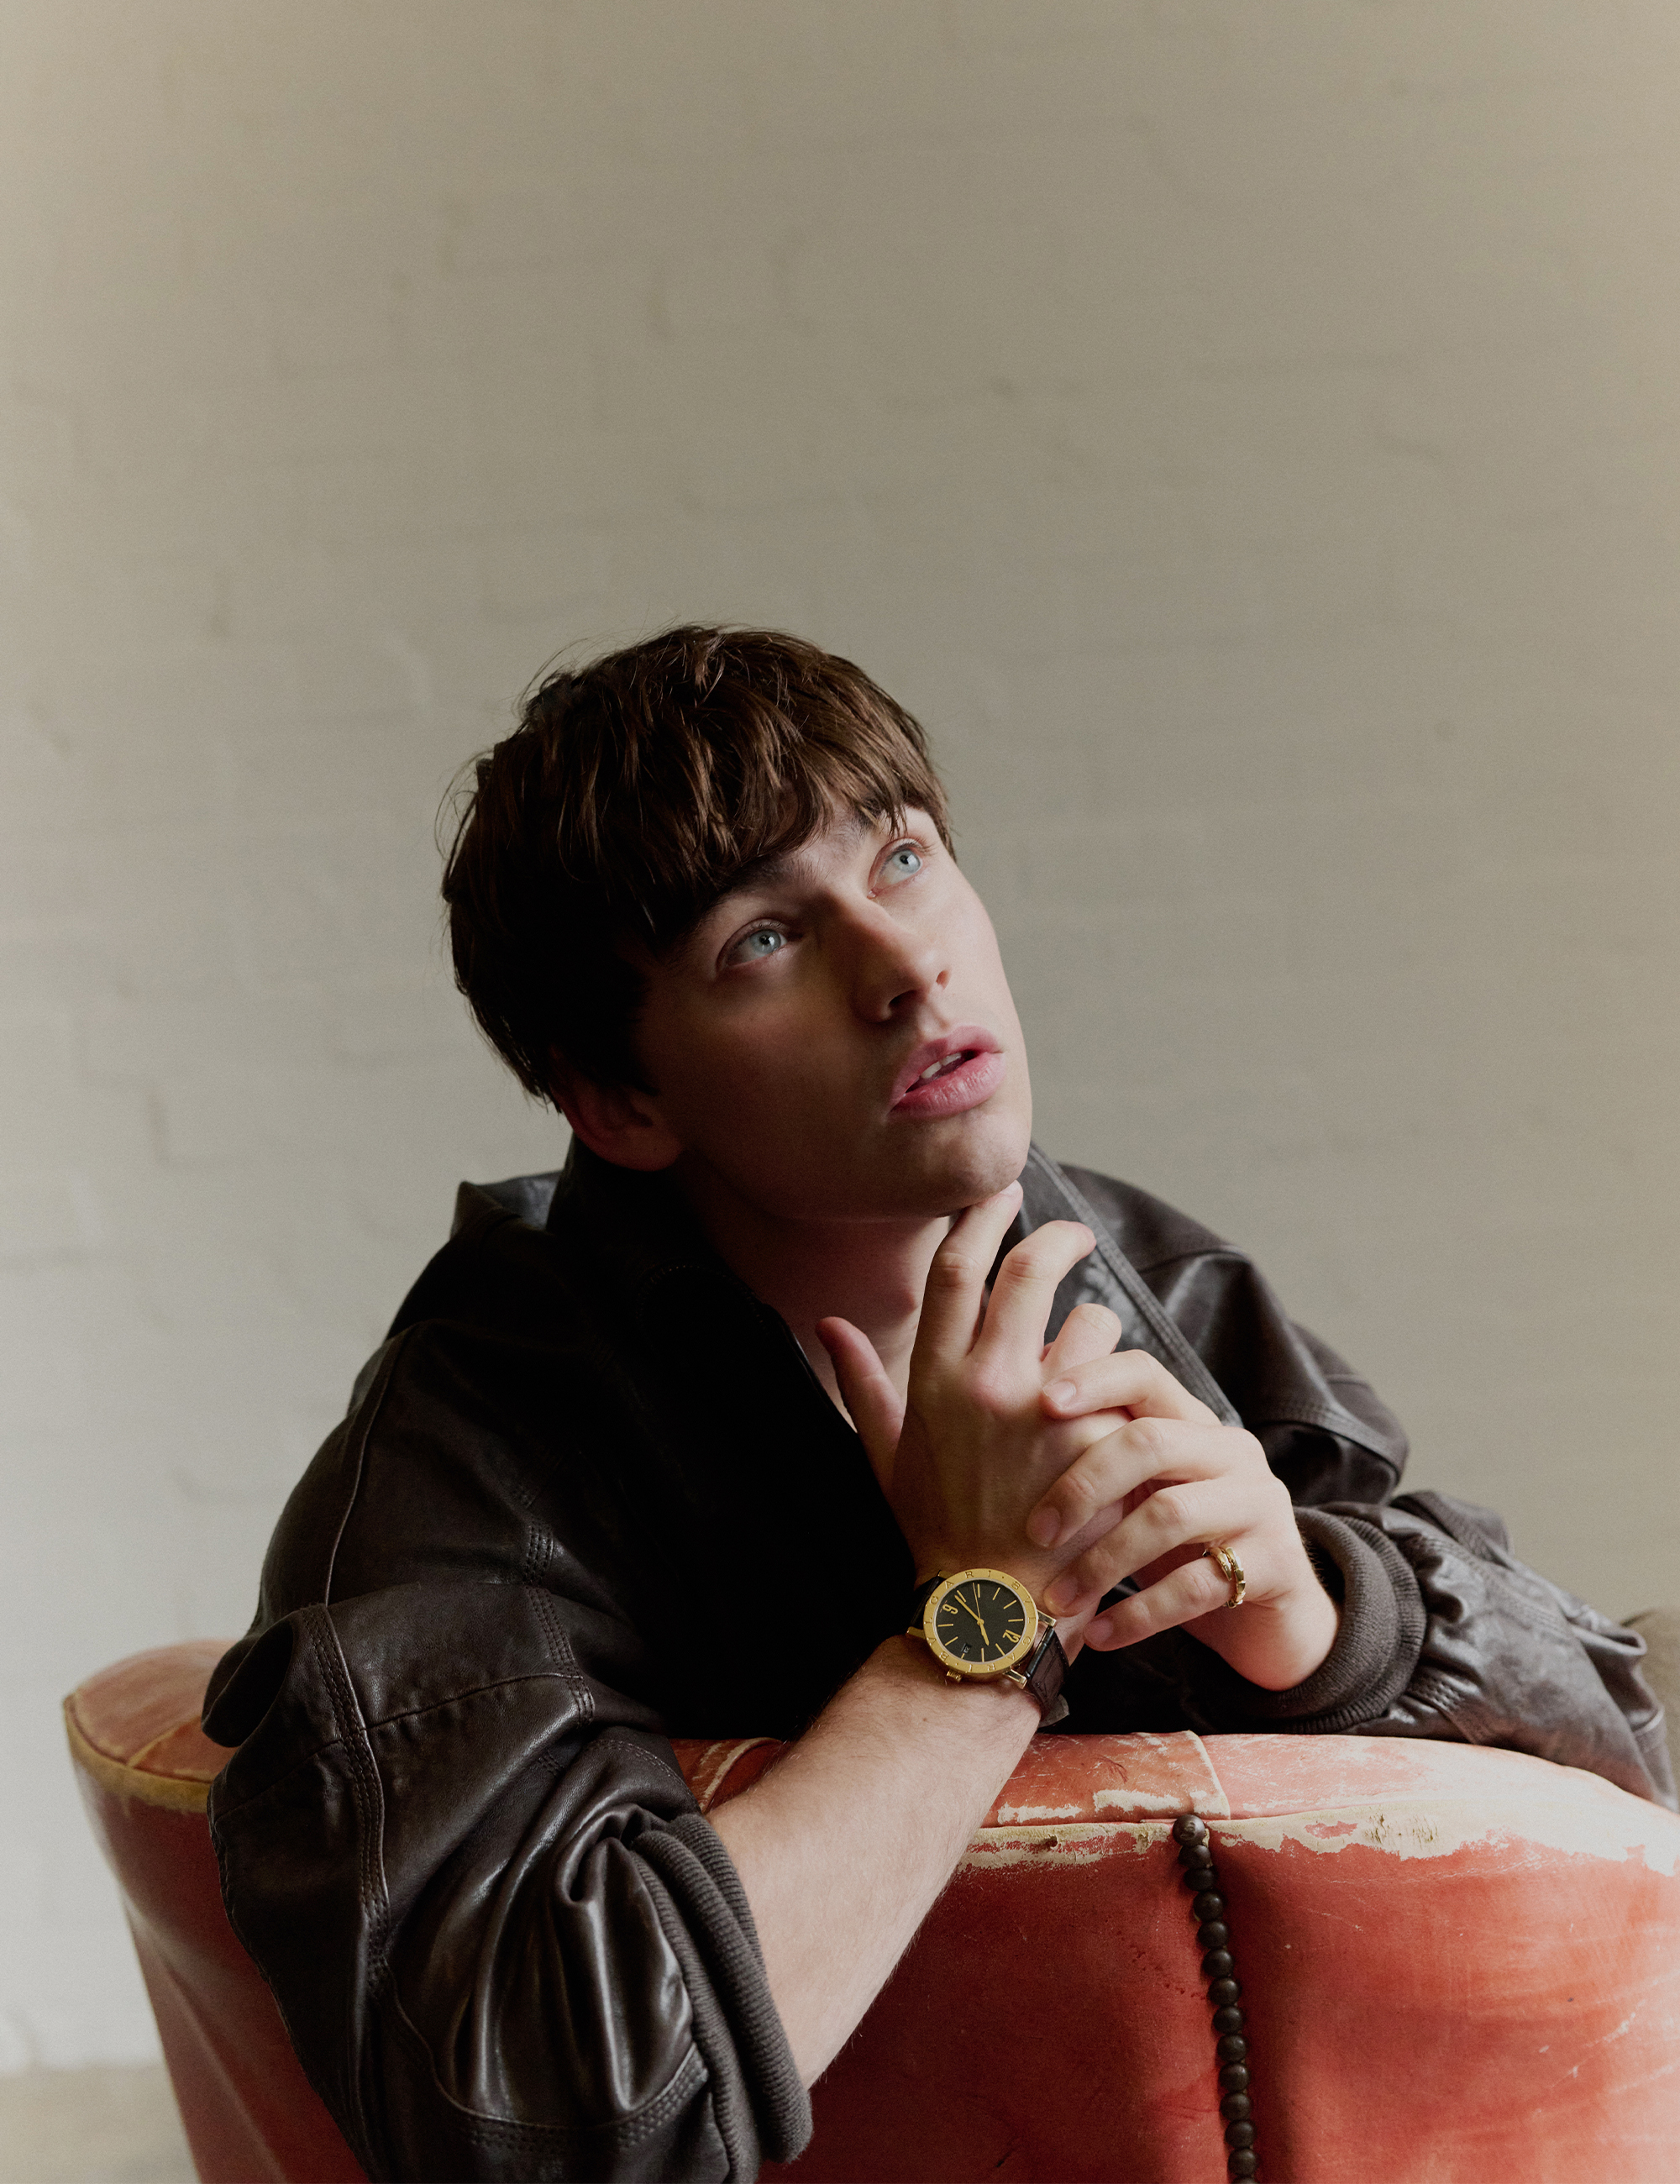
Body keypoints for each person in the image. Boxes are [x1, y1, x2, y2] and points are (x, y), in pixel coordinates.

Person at [202, 625, 1673, 2184]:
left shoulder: (1151, 1275)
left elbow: (1625, 1753)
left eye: (901, 859)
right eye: (760, 941)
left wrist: (1324, 1620)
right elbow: (557, 2122)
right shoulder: (477, 1443)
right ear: (621, 1102)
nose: (906, 968)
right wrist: (985, 1624)